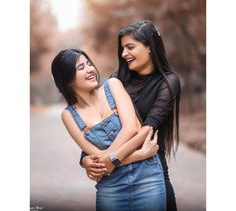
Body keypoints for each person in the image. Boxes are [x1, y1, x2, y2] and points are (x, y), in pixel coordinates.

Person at [82, 20, 181, 211]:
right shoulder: (115, 81)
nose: (123, 54)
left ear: (150, 47)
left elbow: (148, 128)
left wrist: (112, 160)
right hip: (115, 181)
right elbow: (99, 125)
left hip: (153, 175)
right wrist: (86, 159)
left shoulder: (168, 82)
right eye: (122, 49)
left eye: (130, 47)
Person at [51, 48, 167, 211]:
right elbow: (98, 160)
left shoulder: (113, 86)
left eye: (89, 64)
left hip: (147, 177)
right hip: (111, 186)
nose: (90, 69)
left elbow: (131, 129)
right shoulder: (69, 115)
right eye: (81, 67)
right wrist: (139, 154)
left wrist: (110, 160)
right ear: (67, 79)